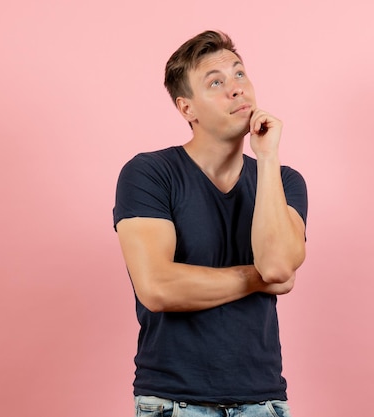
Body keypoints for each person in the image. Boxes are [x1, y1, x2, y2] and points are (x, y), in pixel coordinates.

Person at [113, 30, 307, 417]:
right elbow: (157, 287)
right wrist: (258, 278)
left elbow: (279, 265)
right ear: (188, 109)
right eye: (216, 82)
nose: (236, 89)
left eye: (239, 74)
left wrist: (267, 158)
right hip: (174, 401)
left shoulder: (284, 181)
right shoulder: (150, 174)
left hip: (263, 401)